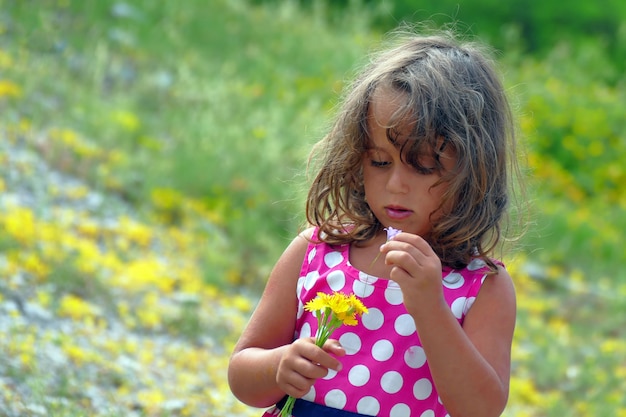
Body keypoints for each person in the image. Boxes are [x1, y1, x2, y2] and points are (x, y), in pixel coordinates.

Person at [228, 28, 520, 417]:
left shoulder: (481, 287)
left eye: (424, 167)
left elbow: (480, 409)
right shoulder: (316, 252)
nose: (396, 185)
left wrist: (430, 305)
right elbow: (241, 373)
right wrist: (279, 367)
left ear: (474, 172)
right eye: (379, 162)